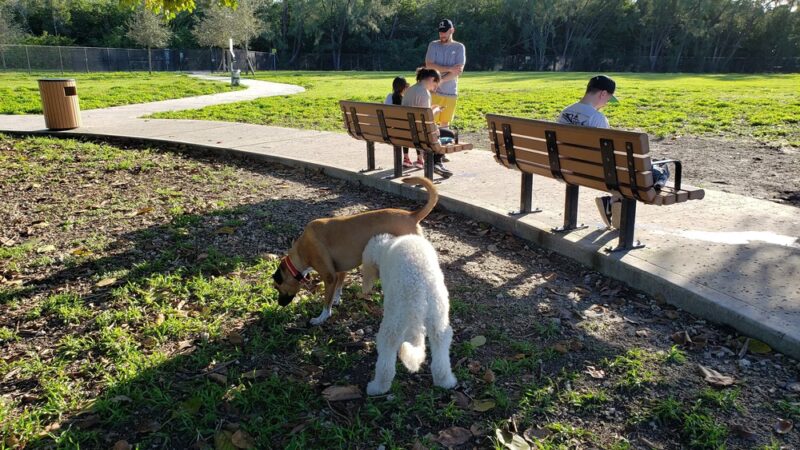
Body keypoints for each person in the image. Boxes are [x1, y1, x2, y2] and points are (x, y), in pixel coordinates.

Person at [558, 75, 669, 228]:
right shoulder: (597, 118)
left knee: (627, 171)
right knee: (657, 172)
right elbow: (607, 155)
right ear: (603, 94)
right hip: (597, 173)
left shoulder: (565, 112)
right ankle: (613, 204)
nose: (606, 103)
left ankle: (612, 203)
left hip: (566, 168)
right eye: (608, 99)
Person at [425, 19, 465, 163]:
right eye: (440, 32)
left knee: (445, 123)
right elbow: (429, 65)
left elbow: (458, 71)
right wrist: (448, 68)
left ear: (452, 31)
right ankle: (432, 152)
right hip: (434, 93)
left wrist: (440, 80)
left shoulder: (459, 47)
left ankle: (442, 153)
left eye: (445, 32)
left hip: (450, 92)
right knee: (432, 123)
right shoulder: (433, 45)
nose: (442, 35)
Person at [402, 67, 453, 178]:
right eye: (435, 85)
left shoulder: (410, 90)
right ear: (431, 79)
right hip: (419, 134)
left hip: (405, 132)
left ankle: (437, 163)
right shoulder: (424, 92)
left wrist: (431, 109)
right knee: (449, 135)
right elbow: (427, 119)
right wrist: (436, 110)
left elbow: (418, 111)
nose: (434, 89)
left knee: (438, 133)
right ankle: (436, 163)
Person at [385, 76, 423, 169]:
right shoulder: (405, 100)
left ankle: (406, 158)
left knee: (403, 132)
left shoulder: (389, 97)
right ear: (404, 88)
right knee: (415, 132)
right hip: (408, 132)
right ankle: (420, 159)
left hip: (392, 131)